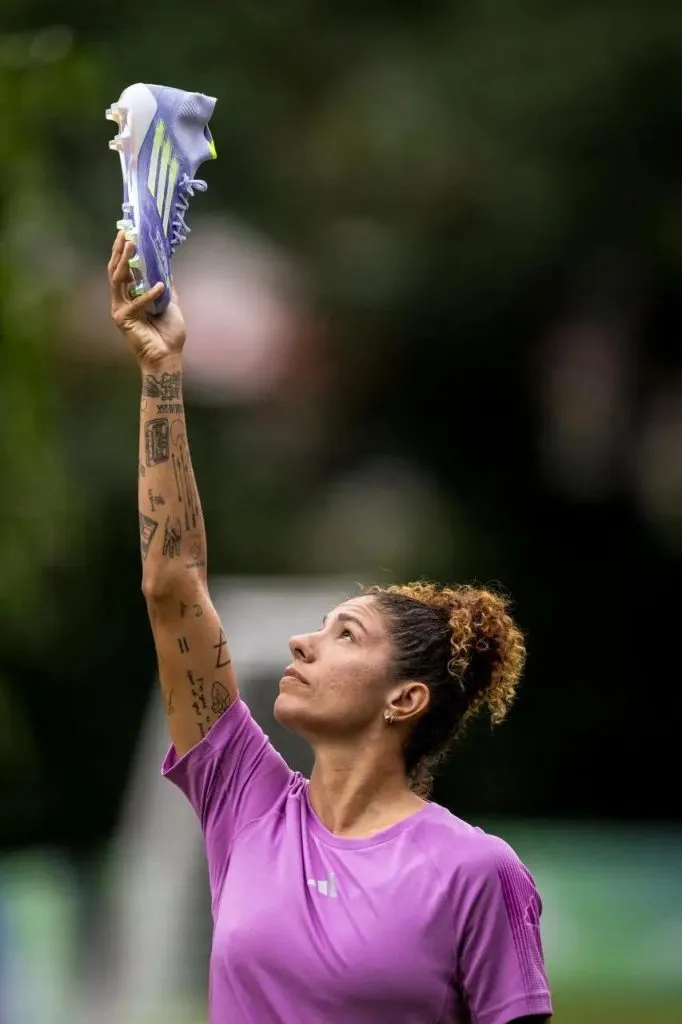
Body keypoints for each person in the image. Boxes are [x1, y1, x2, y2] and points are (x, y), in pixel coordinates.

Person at [108, 230, 553, 1024]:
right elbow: (172, 586)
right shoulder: (244, 802)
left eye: (346, 635)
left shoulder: (476, 872)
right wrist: (161, 373)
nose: (300, 644)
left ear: (404, 699)